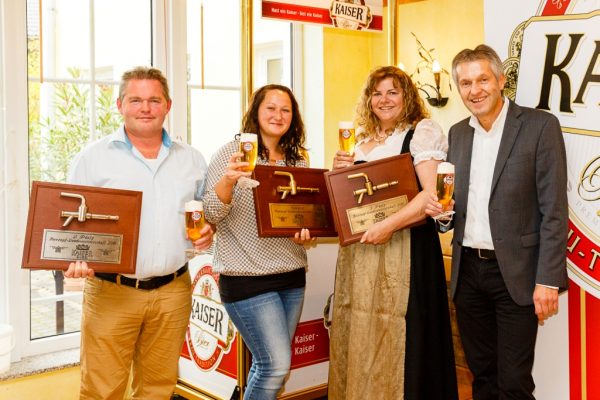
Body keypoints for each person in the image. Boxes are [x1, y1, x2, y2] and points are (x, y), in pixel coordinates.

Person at [426, 45, 568, 399]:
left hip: (517, 275)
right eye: (465, 83)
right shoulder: (457, 133)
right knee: (482, 376)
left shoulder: (539, 126)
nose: (475, 90)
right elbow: (455, 205)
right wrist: (443, 217)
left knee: (514, 382)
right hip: (468, 272)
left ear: (501, 80)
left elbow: (554, 210)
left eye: (482, 79)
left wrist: (548, 279)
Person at [64, 66, 214, 399]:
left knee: (158, 389)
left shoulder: (192, 159)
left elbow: (206, 213)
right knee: (102, 391)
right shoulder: (92, 159)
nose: (145, 108)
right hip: (111, 292)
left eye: (153, 100)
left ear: (168, 106)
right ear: (120, 105)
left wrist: (209, 229)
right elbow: (69, 221)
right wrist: (74, 256)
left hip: (173, 291)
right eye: (135, 100)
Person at [329, 66, 458, 400]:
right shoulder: (359, 140)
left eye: (392, 92)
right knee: (361, 328)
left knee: (405, 334)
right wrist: (337, 174)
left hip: (407, 248)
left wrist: (388, 226)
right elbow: (348, 202)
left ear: (407, 96)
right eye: (377, 93)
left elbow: (432, 195)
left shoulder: (422, 132)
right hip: (361, 255)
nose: (383, 100)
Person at [202, 84, 315, 400]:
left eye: (286, 110)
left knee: (266, 366)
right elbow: (211, 212)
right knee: (275, 366)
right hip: (246, 279)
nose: (278, 115)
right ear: (255, 111)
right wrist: (229, 179)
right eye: (271, 108)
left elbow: (303, 214)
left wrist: (306, 232)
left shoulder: (298, 160)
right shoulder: (230, 152)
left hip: (291, 276)